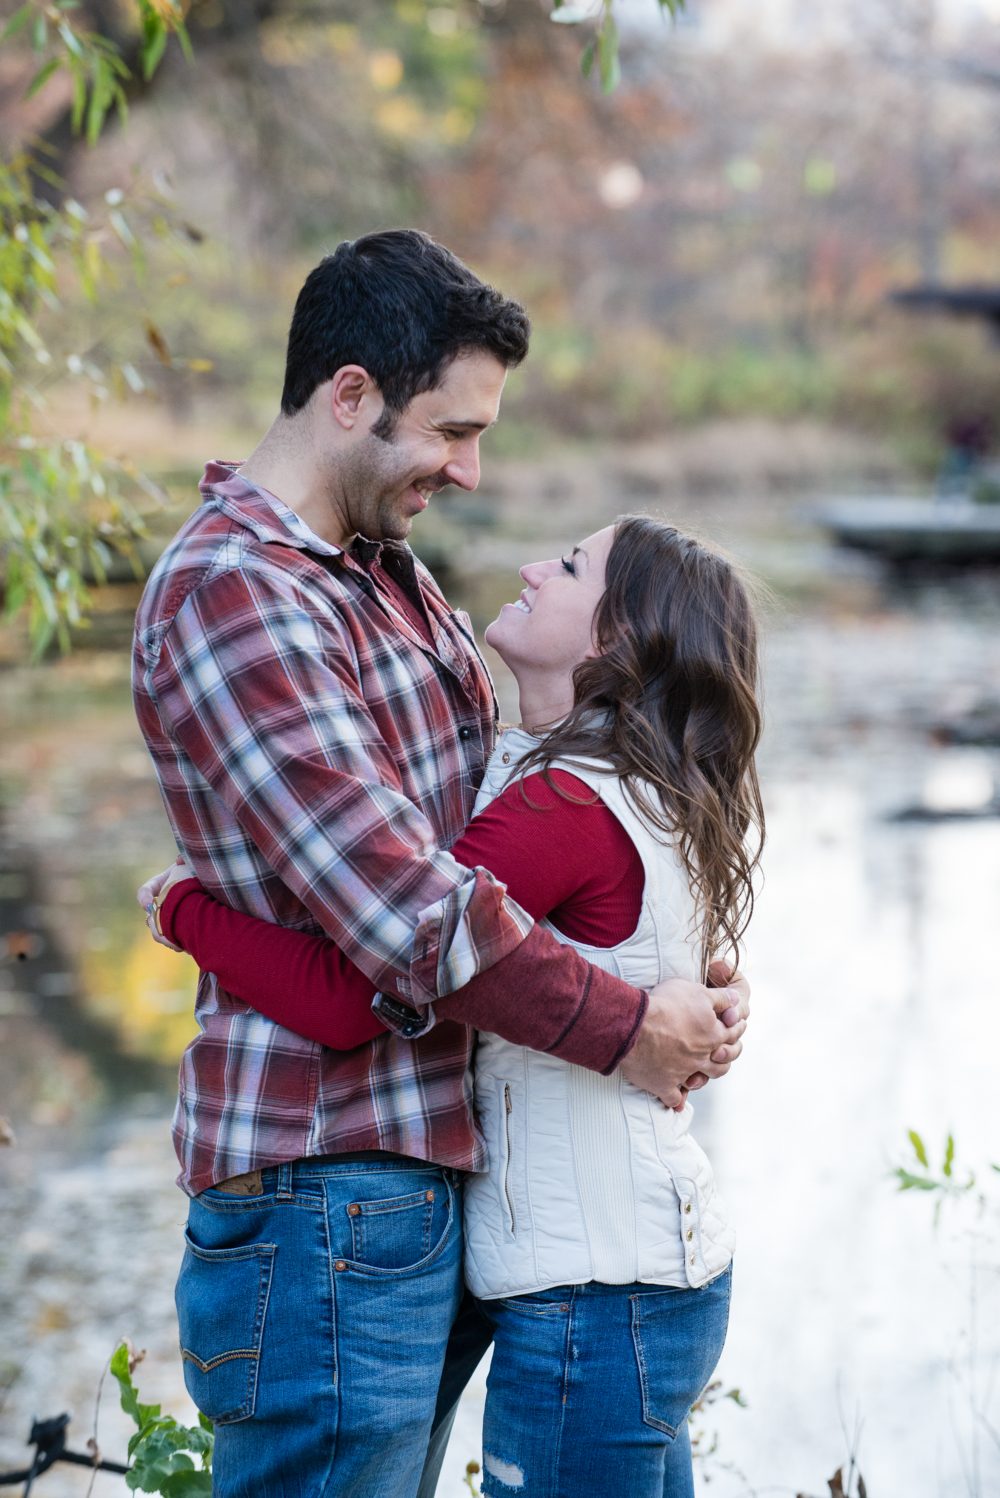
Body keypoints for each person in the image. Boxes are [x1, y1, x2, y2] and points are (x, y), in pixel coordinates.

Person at [132, 229, 749, 1498]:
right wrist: (629, 1025)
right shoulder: (237, 591)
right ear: (350, 394)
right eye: (451, 431)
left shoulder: (386, 579)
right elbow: (414, 919)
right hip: (321, 1185)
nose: (469, 471)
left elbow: (527, 834)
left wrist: (668, 958)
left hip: (433, 1183)